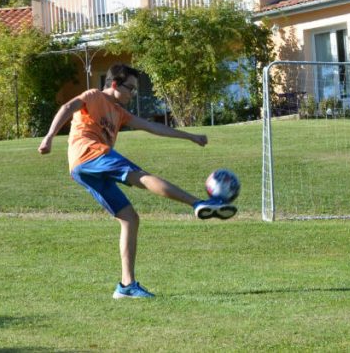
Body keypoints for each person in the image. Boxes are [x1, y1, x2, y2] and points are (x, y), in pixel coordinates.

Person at [38, 63, 234, 299]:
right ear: (114, 84)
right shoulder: (94, 96)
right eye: (130, 88)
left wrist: (190, 136)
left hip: (81, 169)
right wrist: (49, 137)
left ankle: (126, 286)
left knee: (129, 218)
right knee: (140, 176)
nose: (133, 93)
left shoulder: (120, 113)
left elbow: (153, 127)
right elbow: (67, 106)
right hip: (91, 153)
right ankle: (198, 204)